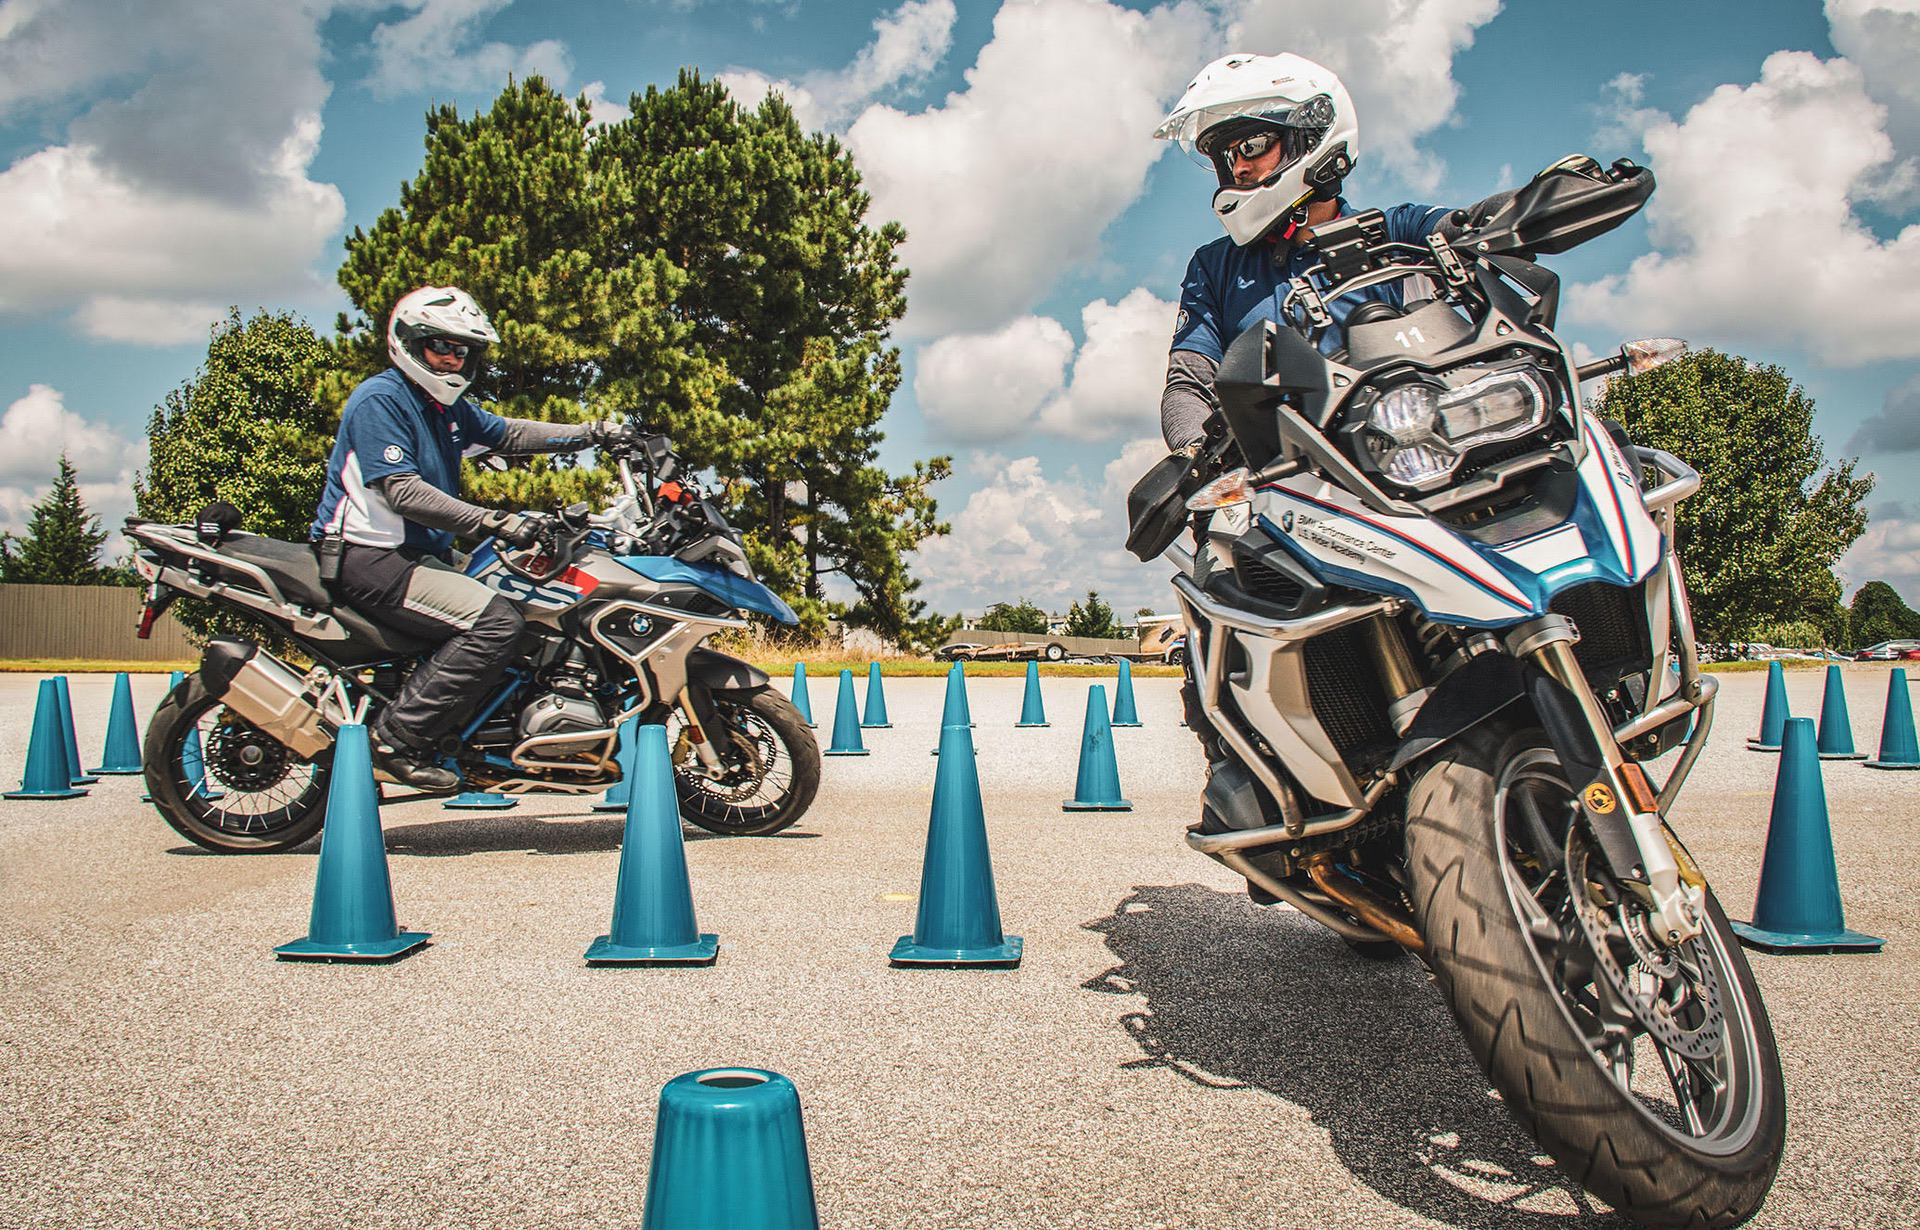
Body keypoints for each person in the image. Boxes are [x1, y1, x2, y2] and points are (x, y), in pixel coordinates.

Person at [310, 285, 633, 789]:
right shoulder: (383, 399)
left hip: (418, 555)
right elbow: (403, 492)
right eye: (442, 347)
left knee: (522, 603)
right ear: (410, 344)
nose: (453, 361)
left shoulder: (443, 408)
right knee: (496, 623)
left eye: (463, 351)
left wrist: (594, 432)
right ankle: (395, 741)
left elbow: (510, 433)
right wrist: (497, 521)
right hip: (370, 556)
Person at [1153, 52, 1513, 452]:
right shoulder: (1215, 266)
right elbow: (1191, 381)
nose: (1238, 169)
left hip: (1415, 447)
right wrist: (1196, 453)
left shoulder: (1392, 232)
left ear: (1307, 136)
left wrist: (1542, 200)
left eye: (1252, 146)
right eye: (1228, 156)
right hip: (1290, 477)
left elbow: (1471, 224)